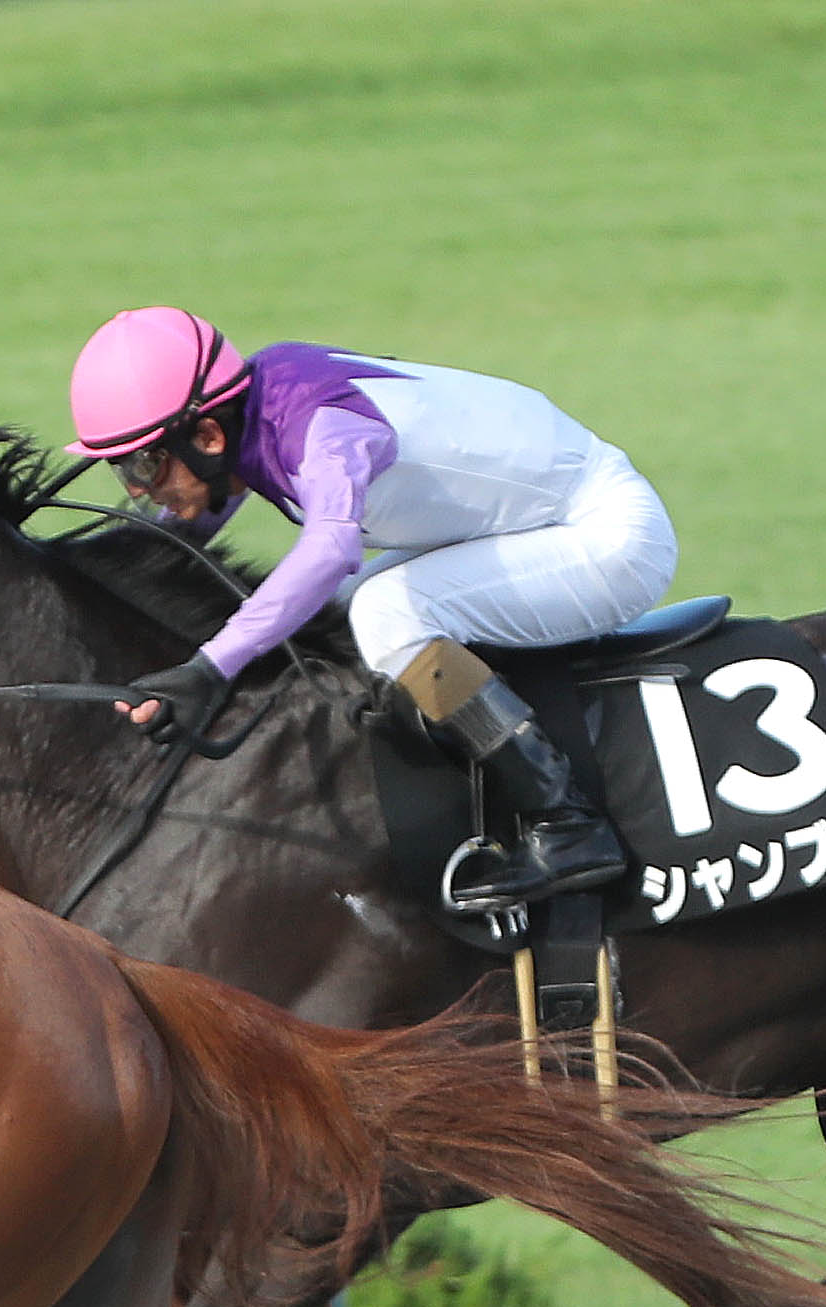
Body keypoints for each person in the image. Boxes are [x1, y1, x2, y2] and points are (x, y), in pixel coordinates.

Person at [68, 307, 679, 907]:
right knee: (332, 614)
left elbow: (331, 548)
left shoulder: (323, 431)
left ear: (208, 435)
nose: (139, 489)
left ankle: (567, 821)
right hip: (531, 522)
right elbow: (201, 508)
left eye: (146, 464)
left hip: (608, 539)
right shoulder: (257, 402)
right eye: (123, 470)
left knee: (386, 614)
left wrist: (209, 668)